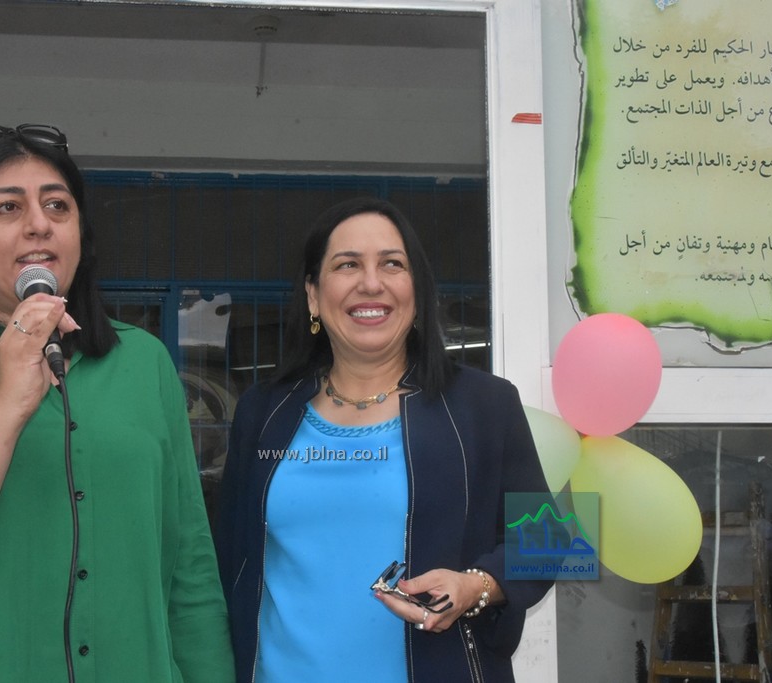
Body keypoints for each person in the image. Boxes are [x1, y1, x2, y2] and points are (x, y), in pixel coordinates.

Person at [0, 123, 234, 683]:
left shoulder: (143, 363)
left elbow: (190, 569)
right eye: (7, 208)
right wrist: (6, 406)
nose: (39, 224)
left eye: (58, 206)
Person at [215, 196, 555, 682]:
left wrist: (476, 586)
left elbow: (550, 542)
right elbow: (228, 559)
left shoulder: (484, 405)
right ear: (313, 295)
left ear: (417, 290)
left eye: (392, 264)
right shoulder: (263, 412)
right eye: (347, 264)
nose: (371, 283)